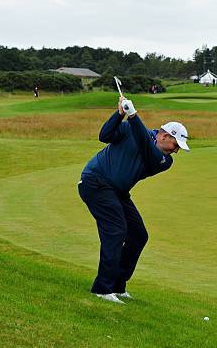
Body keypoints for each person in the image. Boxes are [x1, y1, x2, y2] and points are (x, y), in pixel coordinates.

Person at [78, 95, 189, 304]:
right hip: (95, 183)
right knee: (116, 230)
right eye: (176, 144)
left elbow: (146, 148)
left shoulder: (164, 161)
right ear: (165, 136)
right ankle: (102, 288)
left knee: (138, 235)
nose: (176, 150)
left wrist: (133, 115)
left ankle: (118, 285)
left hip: (117, 191)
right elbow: (105, 135)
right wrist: (119, 114)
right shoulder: (130, 129)